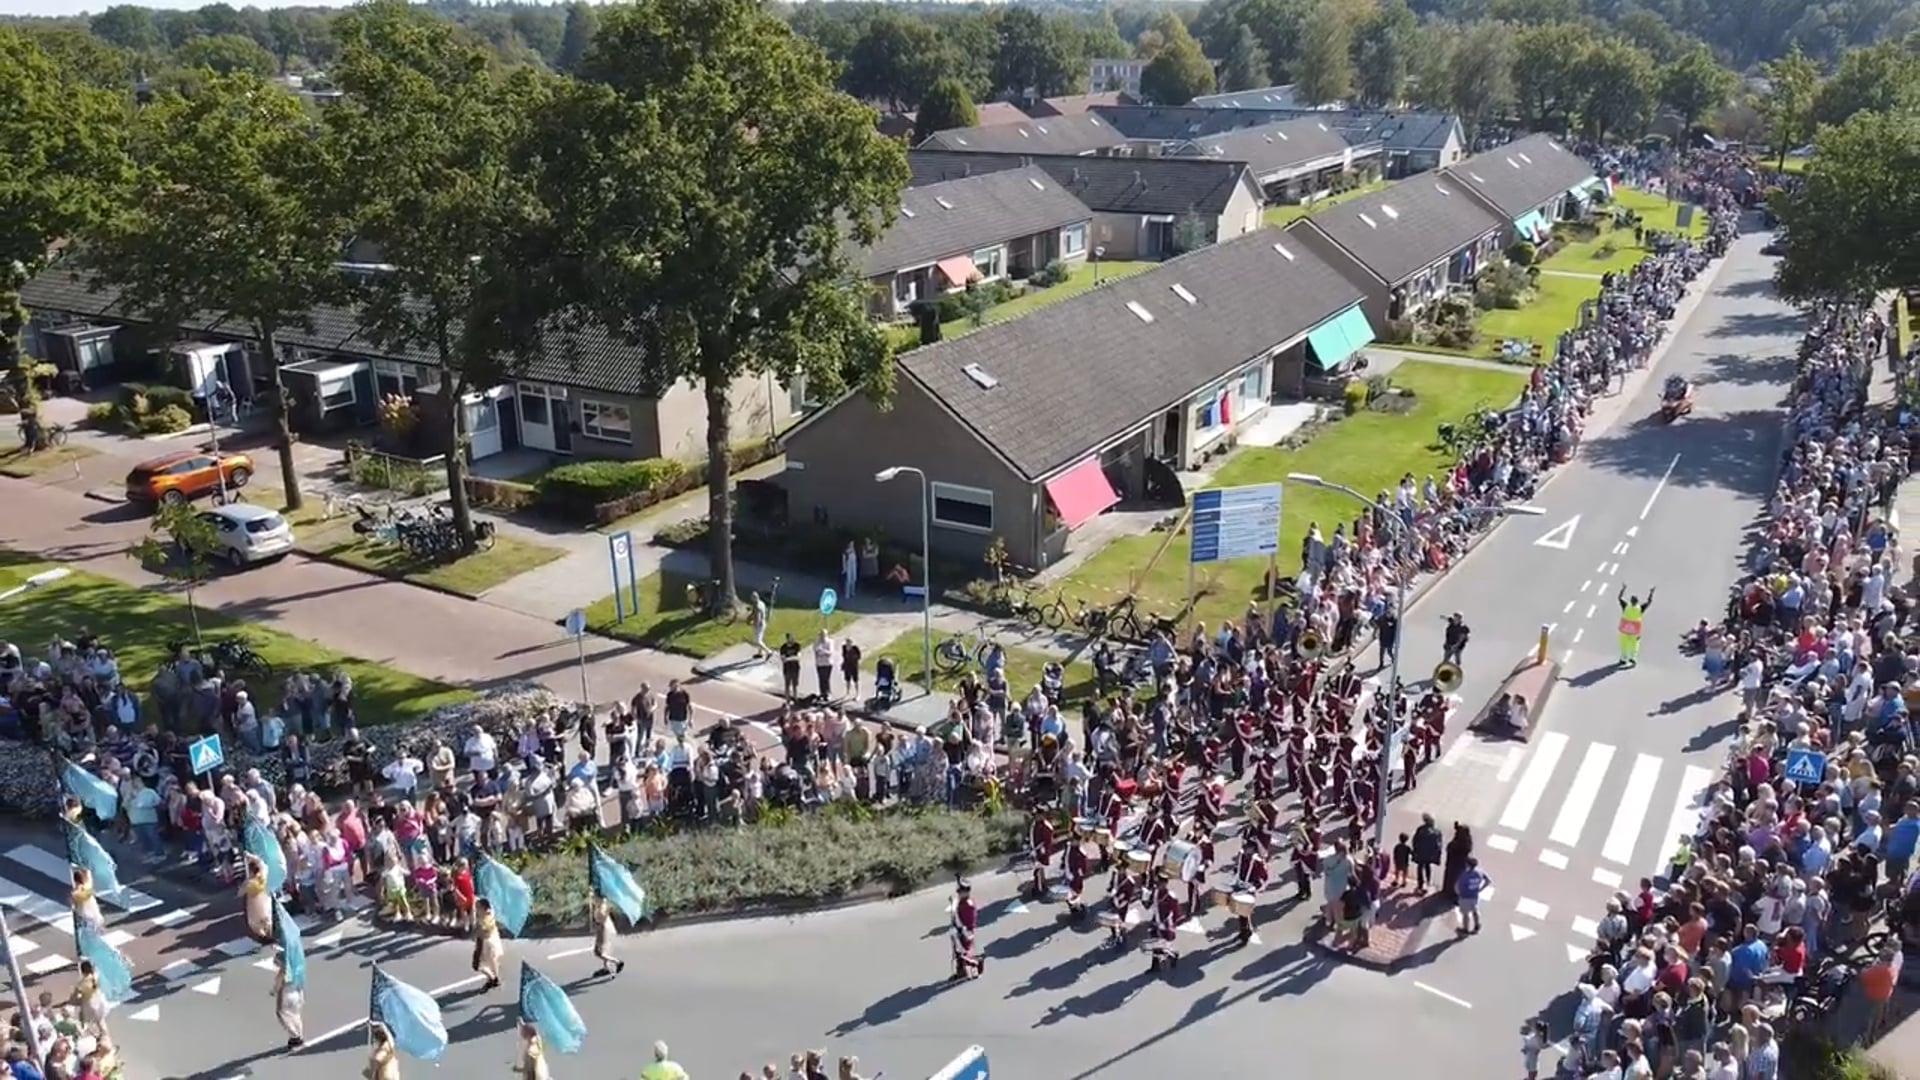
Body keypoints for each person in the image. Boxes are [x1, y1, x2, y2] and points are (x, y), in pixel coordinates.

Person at [949, 880, 983, 980]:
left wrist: (962, 930)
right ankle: (962, 970)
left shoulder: (968, 904)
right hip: (960, 929)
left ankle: (974, 968)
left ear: (967, 892)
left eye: (960, 891)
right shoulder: (962, 901)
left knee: (966, 951)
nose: (958, 893)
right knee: (959, 951)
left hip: (965, 931)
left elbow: (968, 921)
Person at [271, 949, 304, 1050]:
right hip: (296, 992)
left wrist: (274, 990)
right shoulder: (297, 969)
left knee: (281, 1014)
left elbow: (278, 983)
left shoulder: (283, 971)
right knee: (296, 1014)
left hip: (285, 994)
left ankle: (294, 1036)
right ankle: (299, 1035)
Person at [1617, 585, 1654, 666]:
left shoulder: (1626, 606)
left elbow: (1619, 598)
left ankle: (1623, 659)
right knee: (1634, 645)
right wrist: (1651, 593)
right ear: (1637, 602)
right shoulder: (1640, 608)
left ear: (1631, 601)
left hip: (1624, 629)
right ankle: (1633, 658)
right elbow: (1649, 602)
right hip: (1635, 630)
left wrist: (1623, 589)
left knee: (1624, 645)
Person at [591, 894, 626, 978]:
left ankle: (617, 962)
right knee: (603, 949)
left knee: (598, 952)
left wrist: (597, 923)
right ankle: (606, 968)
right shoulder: (602, 904)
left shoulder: (602, 907)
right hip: (604, 927)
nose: (593, 899)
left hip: (603, 929)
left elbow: (602, 917)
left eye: (595, 898)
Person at [473, 896, 504, 991]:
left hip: (485, 943)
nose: (476, 910)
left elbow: (481, 933)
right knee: (493, 961)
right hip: (493, 940)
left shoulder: (483, 922)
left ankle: (492, 978)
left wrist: (476, 927)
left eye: (477, 908)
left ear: (483, 909)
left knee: (479, 965)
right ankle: (495, 978)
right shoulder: (491, 912)